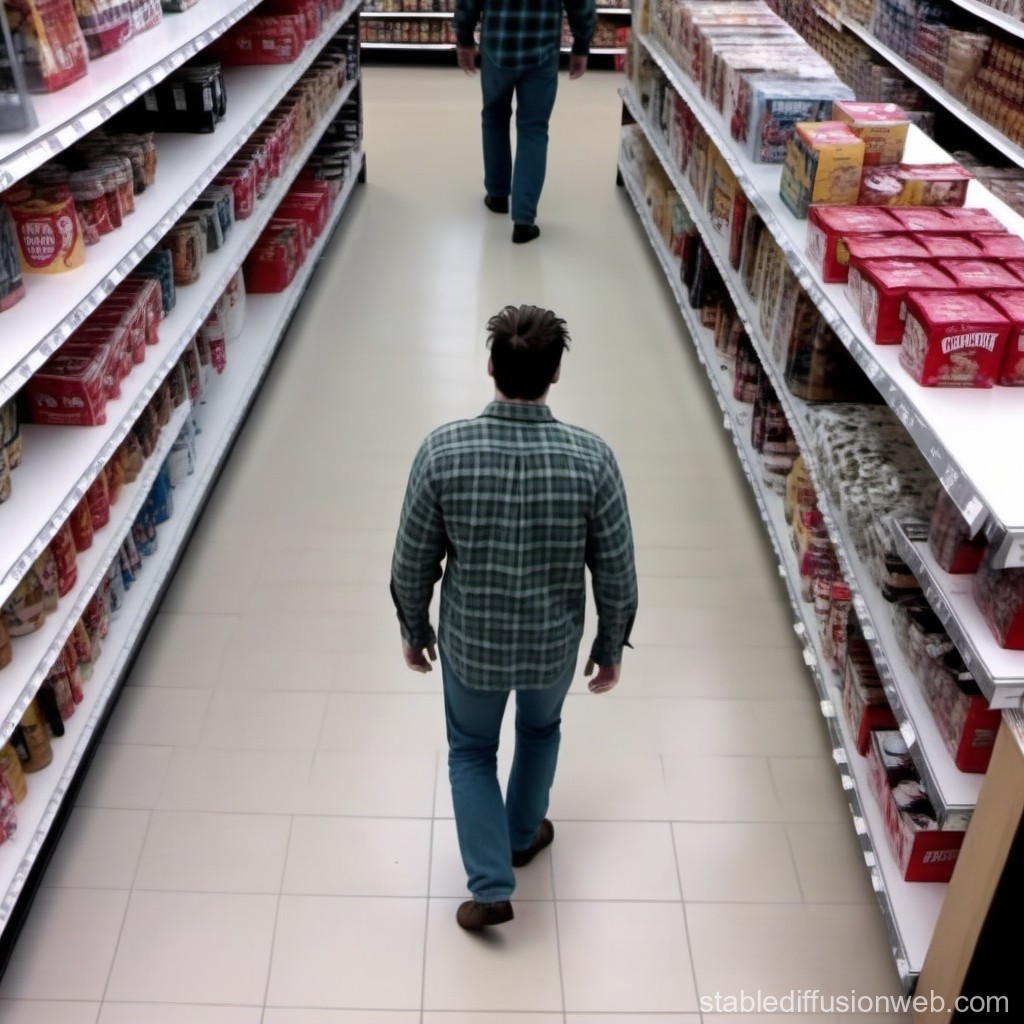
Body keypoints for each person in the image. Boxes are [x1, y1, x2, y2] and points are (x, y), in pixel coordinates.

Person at [390, 304, 637, 930]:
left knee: (472, 751)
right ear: (556, 373)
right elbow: (616, 568)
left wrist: (415, 630)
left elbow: (412, 559)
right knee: (540, 731)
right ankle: (522, 836)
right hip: (552, 647)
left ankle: (491, 887)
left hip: (472, 644)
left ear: (491, 366)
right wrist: (610, 646)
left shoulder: (443, 451)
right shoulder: (593, 459)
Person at [453, 0, 596, 244]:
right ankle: (523, 220)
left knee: (494, 118)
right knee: (534, 129)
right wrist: (581, 45)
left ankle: (497, 195)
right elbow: (581, 5)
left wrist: (464, 39)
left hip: (497, 47)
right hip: (541, 51)